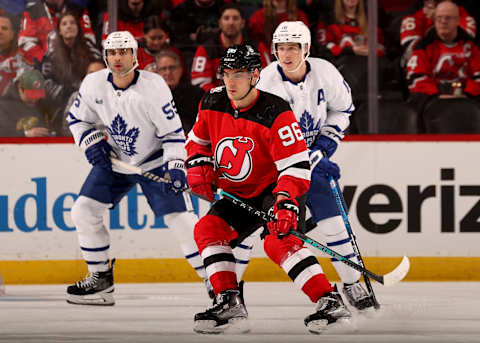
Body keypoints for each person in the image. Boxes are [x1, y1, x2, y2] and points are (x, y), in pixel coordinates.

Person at [185, 43, 351, 334]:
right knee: (207, 230)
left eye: (239, 74)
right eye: (226, 73)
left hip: (274, 192)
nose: (231, 81)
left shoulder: (276, 111)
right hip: (235, 194)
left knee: (279, 243)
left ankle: (330, 301)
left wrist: (286, 200)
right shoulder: (211, 102)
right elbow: (197, 141)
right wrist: (197, 164)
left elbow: (297, 164)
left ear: (254, 75)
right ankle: (229, 301)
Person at [65, 31, 212, 306]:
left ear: (135, 56)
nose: (117, 58)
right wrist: (89, 140)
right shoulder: (93, 84)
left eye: (124, 52)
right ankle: (100, 279)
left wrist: (177, 165)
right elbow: (77, 119)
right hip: (116, 161)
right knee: (83, 211)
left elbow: (172, 134)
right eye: (112, 52)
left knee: (181, 221)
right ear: (106, 56)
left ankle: (217, 283)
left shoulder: (154, 87)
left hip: (155, 160)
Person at [254, 21, 376, 311]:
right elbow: (258, 134)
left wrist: (325, 145)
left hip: (314, 162)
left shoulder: (325, 72)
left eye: (293, 47)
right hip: (278, 170)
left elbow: (343, 109)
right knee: (279, 237)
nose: (286, 53)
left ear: (305, 49)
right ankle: (234, 292)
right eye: (281, 47)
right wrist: (299, 158)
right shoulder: (266, 83)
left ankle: (352, 283)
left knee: (335, 224)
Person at [406, 0, 480, 133]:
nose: (443, 21)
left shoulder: (471, 45)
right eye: (439, 18)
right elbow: (416, 80)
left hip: (467, 98)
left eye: (448, 18)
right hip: (434, 99)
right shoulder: (423, 46)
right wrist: (440, 92)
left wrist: (465, 92)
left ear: (458, 20)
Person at [41, 11, 100, 134]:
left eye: (73, 23)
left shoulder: (91, 50)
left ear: (78, 28)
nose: (69, 26)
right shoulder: (50, 55)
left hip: (88, 102)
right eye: (64, 24)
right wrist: (67, 93)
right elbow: (45, 83)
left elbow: (99, 75)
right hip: (59, 107)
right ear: (59, 31)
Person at [190, 3, 270, 92]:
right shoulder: (206, 49)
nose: (231, 22)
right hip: (217, 102)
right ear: (220, 23)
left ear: (242, 23)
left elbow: (267, 78)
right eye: (226, 18)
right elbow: (199, 82)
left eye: (235, 18)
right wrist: (224, 96)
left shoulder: (257, 48)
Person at [400, 0, 476, 67]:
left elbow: (469, 44)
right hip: (425, 66)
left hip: (460, 65)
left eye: (429, 7)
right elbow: (411, 51)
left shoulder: (460, 13)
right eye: (425, 5)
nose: (424, 10)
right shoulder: (414, 17)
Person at [18, 0, 95, 66]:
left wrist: (80, 58)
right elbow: (25, 42)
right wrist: (44, 60)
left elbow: (89, 40)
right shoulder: (32, 12)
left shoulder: (78, 11)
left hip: (77, 65)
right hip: (44, 69)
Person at [154, 49, 204, 134]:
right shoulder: (150, 96)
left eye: (172, 68)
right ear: (157, 73)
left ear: (181, 70)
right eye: (163, 69)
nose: (168, 72)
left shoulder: (196, 94)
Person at [0, 69, 50, 137]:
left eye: (38, 94)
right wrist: (26, 134)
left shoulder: (42, 103)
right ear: (20, 88)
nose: (34, 100)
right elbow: (3, 134)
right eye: (31, 95)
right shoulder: (3, 106)